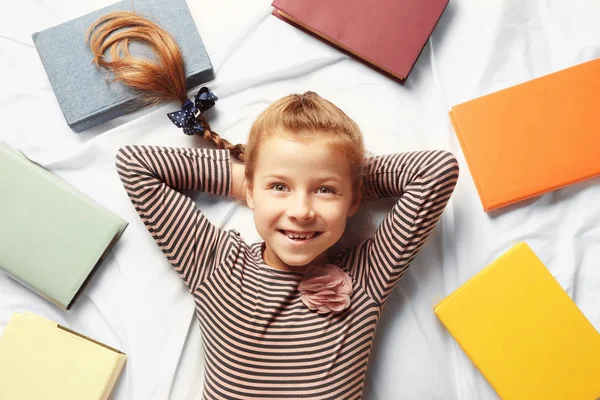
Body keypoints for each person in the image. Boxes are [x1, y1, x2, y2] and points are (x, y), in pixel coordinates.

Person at [90, 12, 459, 399]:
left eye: (325, 191)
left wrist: (344, 176)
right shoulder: (216, 263)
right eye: (280, 187)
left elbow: (435, 172)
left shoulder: (368, 275)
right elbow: (137, 165)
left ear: (354, 200)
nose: (301, 210)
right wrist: (253, 176)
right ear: (250, 190)